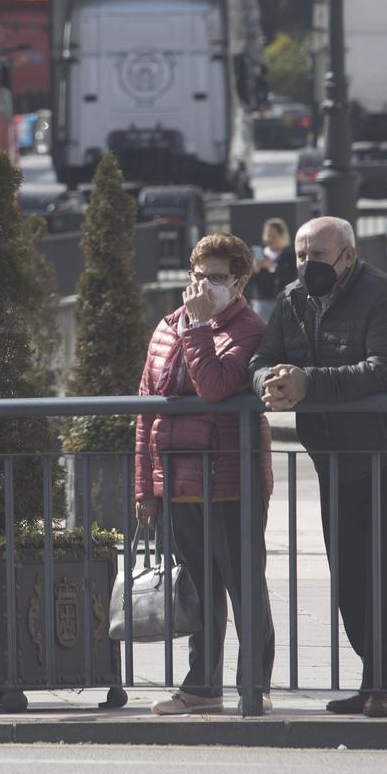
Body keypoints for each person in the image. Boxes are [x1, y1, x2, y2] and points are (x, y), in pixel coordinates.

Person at [250, 216, 387, 719]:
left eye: (318, 255)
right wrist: (270, 381)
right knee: (350, 579)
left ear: (348, 256)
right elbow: (262, 357)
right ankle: (379, 680)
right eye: (300, 255)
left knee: (382, 568)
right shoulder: (292, 300)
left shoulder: (383, 294)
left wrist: (308, 382)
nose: (307, 264)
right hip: (333, 458)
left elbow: (386, 370)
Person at [134, 234, 274, 716]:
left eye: (217, 277)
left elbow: (213, 387)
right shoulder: (167, 326)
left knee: (244, 585)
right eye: (198, 275)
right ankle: (201, 687)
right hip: (177, 480)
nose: (205, 285)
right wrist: (145, 486)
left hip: (230, 480)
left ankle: (254, 686)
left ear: (239, 282)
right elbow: (146, 409)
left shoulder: (249, 329)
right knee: (198, 590)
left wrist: (196, 327)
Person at [245, 217, 297, 323]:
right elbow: (248, 281)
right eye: (267, 235)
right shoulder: (258, 254)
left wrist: (273, 267)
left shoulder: (289, 255)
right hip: (261, 301)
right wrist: (255, 270)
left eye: (273, 236)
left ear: (281, 236)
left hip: (284, 301)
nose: (269, 239)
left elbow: (292, 278)